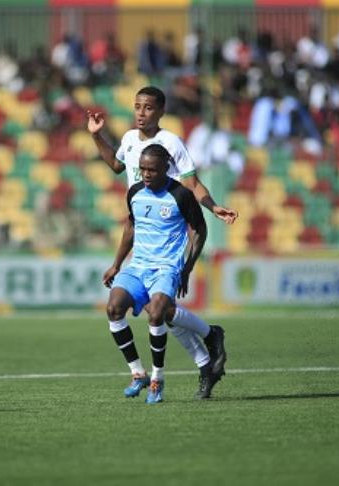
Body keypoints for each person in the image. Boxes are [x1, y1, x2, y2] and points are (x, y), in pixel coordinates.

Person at [87, 86, 237, 398]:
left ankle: (200, 355)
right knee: (166, 316)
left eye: (148, 108)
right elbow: (116, 167)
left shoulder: (171, 143)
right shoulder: (128, 139)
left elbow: (191, 182)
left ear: (161, 111)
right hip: (141, 221)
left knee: (163, 313)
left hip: (168, 222)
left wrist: (212, 206)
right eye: (137, 107)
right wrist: (97, 136)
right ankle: (207, 357)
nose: (141, 113)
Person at [103, 144, 207, 404]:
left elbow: (199, 230)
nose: (146, 174)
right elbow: (130, 229)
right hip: (138, 265)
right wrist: (116, 264)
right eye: (142, 169)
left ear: (166, 169)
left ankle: (157, 379)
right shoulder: (135, 192)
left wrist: (187, 267)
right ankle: (137, 373)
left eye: (152, 170)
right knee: (114, 308)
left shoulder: (181, 194)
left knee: (157, 312)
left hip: (166, 267)